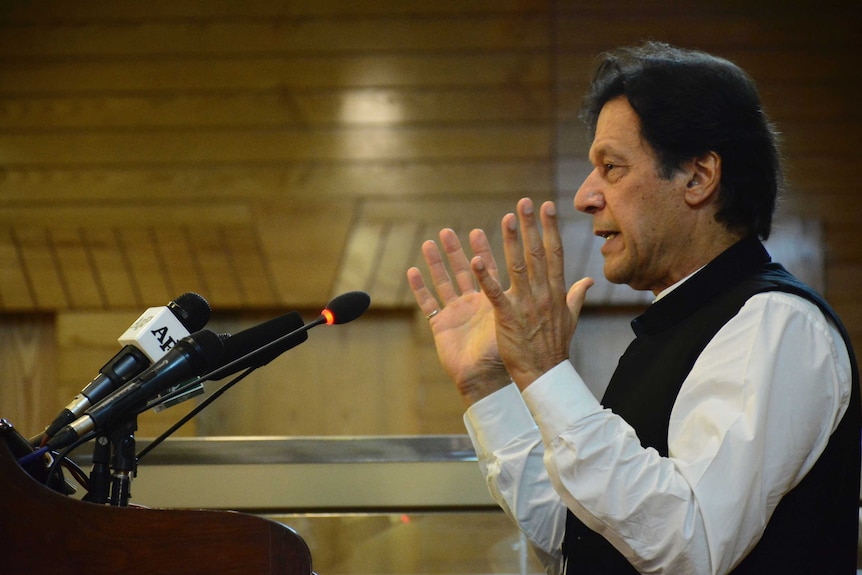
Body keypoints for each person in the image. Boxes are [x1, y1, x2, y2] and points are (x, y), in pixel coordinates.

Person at [406, 42, 860, 574]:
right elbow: (575, 538)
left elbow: (691, 546)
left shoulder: (777, 323)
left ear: (698, 177)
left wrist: (545, 370)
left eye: (611, 167)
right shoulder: (678, 321)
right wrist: (489, 387)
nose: (585, 195)